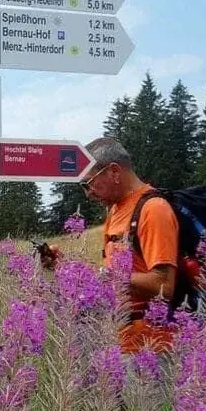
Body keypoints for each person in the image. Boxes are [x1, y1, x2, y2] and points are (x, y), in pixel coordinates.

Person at [40, 136, 184, 355]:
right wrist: (67, 268)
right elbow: (117, 273)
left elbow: (164, 285)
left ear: (114, 171)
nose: (87, 193)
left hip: (150, 350)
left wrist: (107, 274)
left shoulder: (153, 210)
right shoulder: (116, 211)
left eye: (88, 183)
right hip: (119, 342)